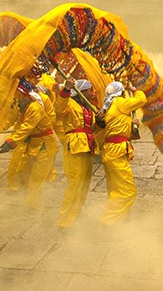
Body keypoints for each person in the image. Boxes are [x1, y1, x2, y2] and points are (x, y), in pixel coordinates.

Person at [0, 78, 58, 208]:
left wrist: (10, 142)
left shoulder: (34, 108)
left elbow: (27, 127)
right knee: (23, 172)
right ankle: (23, 197)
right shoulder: (19, 105)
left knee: (37, 177)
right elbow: (10, 119)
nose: (17, 99)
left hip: (44, 145)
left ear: (27, 96)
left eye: (20, 97)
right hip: (30, 142)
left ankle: (32, 206)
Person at [95, 81, 147, 225]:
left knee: (115, 189)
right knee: (127, 191)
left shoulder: (109, 106)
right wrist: (134, 90)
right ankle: (108, 222)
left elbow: (118, 128)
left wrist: (133, 125)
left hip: (111, 150)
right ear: (122, 93)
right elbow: (141, 100)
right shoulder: (119, 102)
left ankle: (120, 218)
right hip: (116, 151)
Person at [54, 78, 97, 228]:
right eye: (90, 90)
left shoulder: (89, 107)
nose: (93, 93)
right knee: (75, 183)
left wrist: (100, 120)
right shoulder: (70, 103)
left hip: (87, 147)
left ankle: (77, 213)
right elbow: (59, 109)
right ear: (83, 91)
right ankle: (65, 220)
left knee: (84, 183)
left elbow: (92, 127)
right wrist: (66, 89)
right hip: (75, 145)